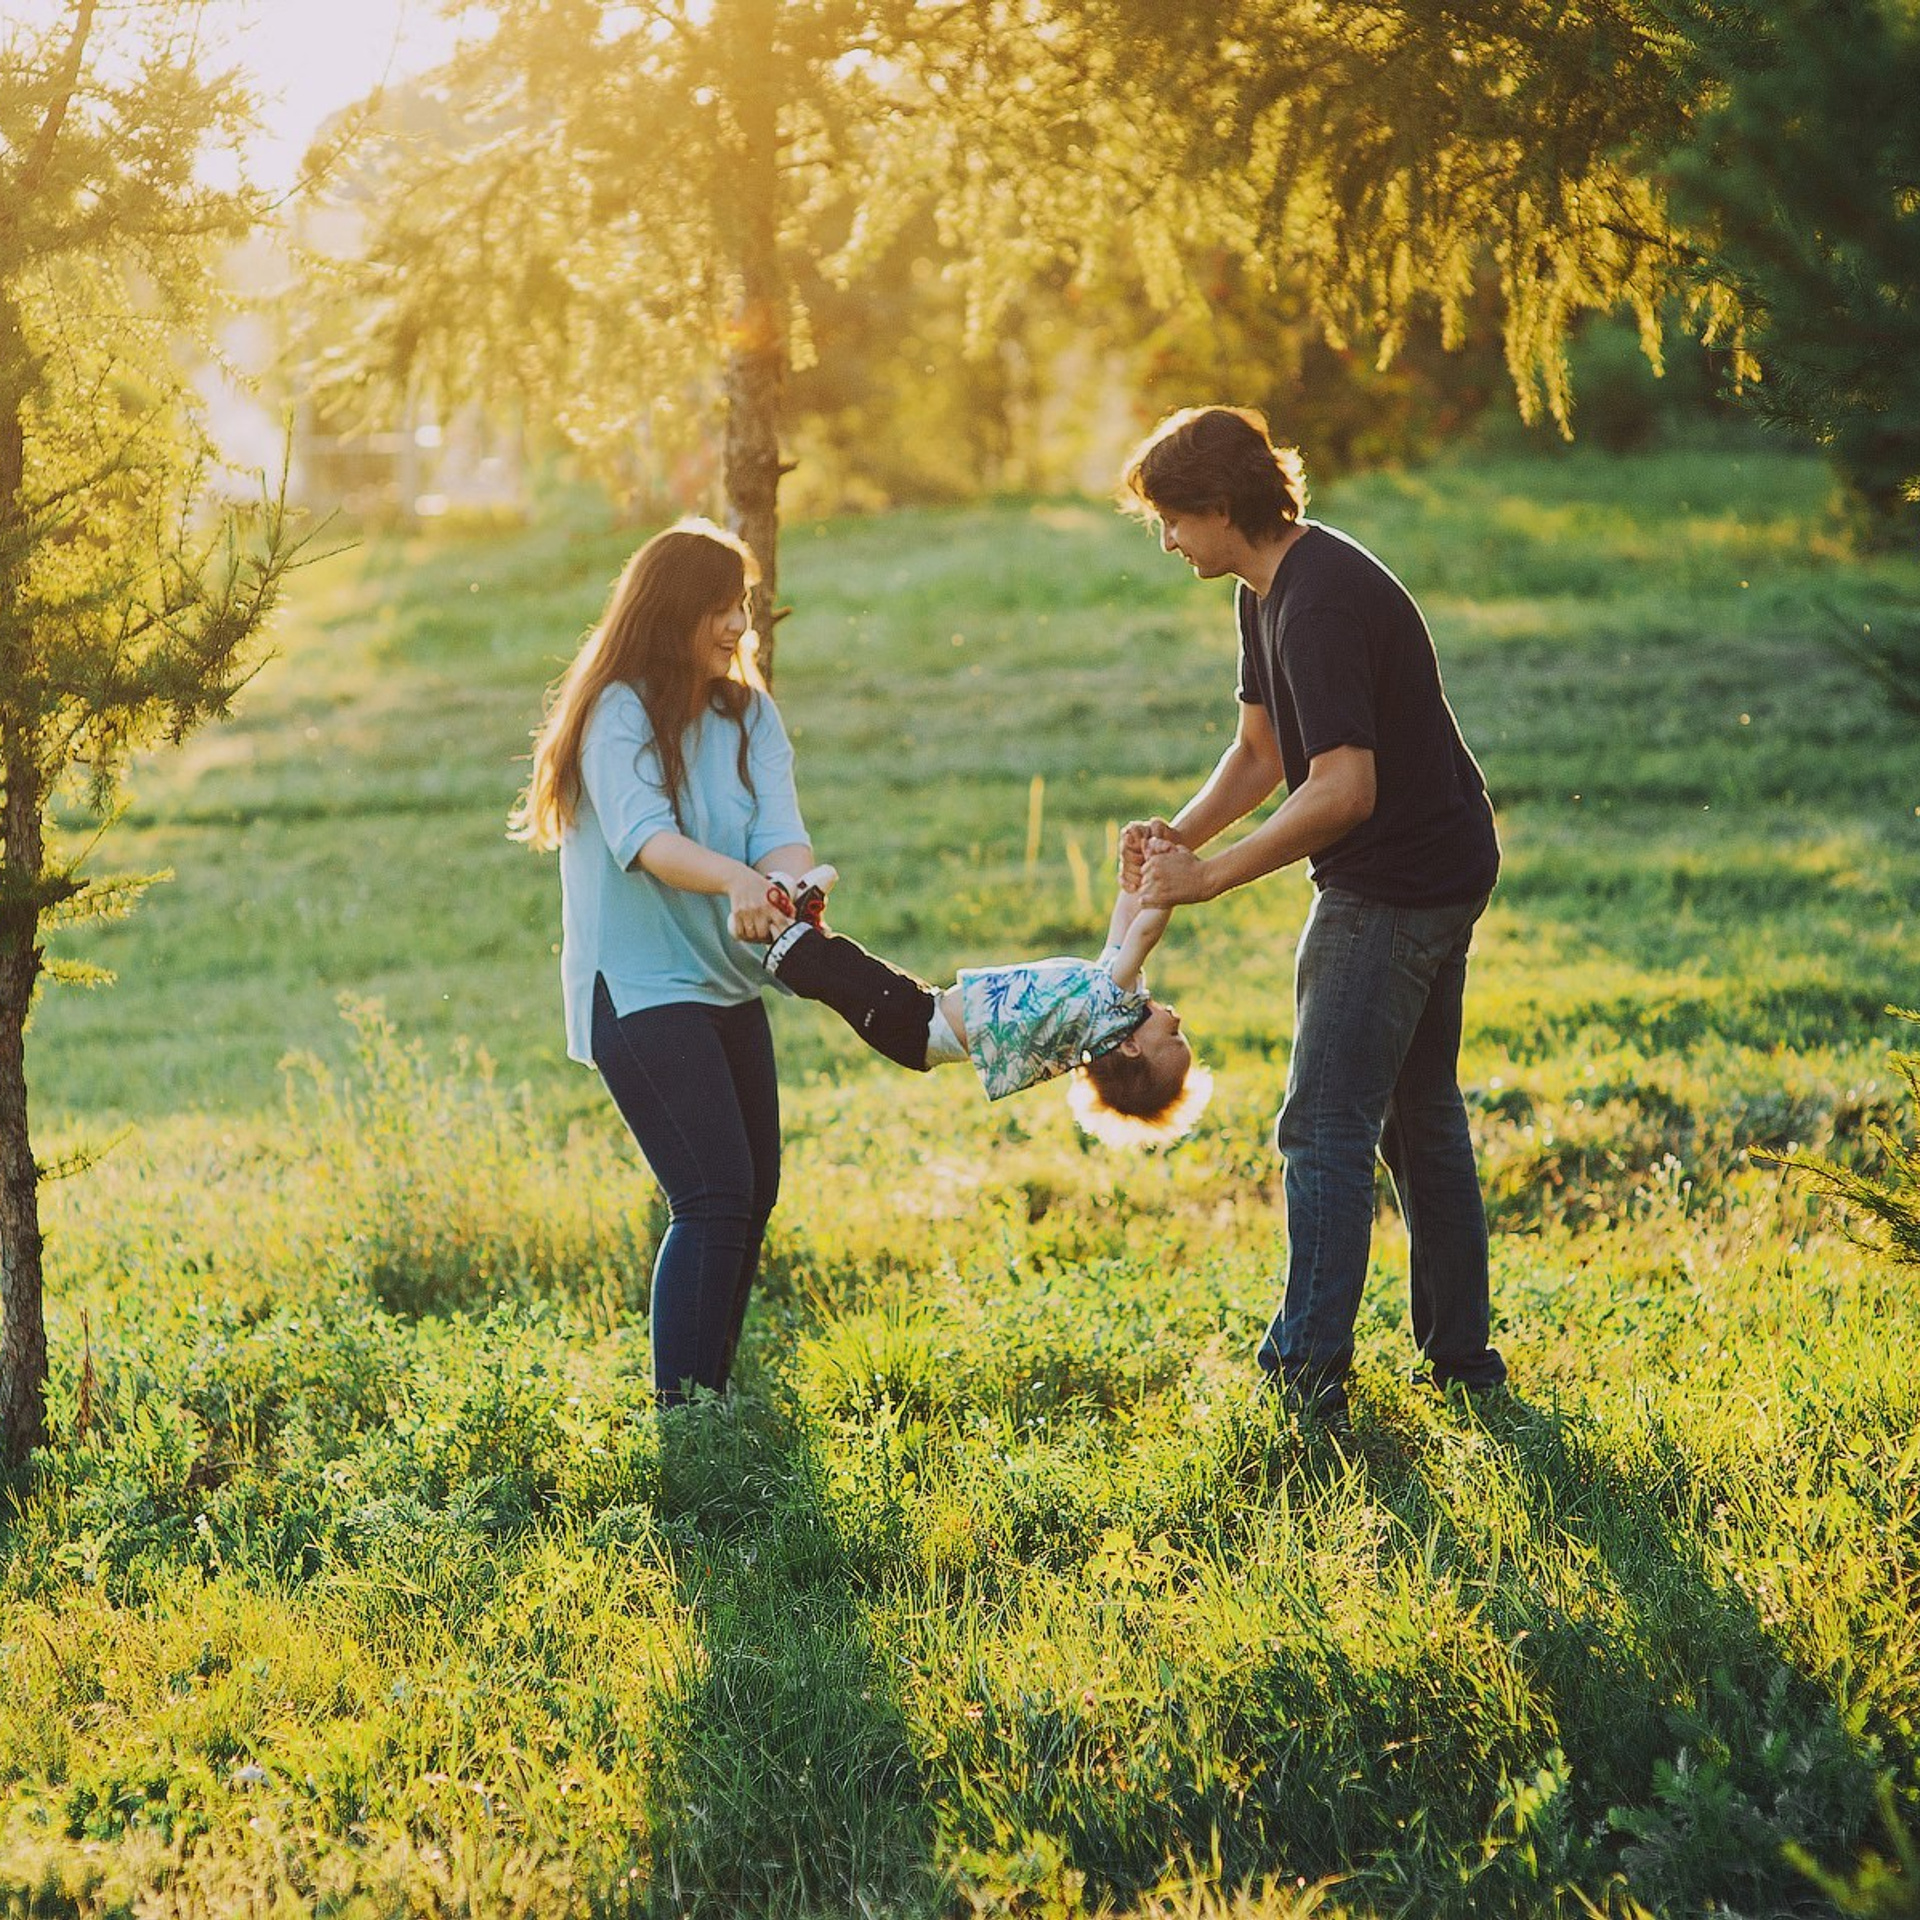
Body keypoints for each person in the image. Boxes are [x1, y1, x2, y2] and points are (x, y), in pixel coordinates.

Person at [1118, 405, 1506, 1430]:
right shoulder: (1270, 588)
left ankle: (1306, 1377)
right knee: (1418, 1115)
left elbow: (1342, 790)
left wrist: (1213, 879)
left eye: (1170, 520)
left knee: (1323, 1121)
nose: (1164, 542)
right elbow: (1262, 753)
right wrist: (1179, 836)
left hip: (1399, 879)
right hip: (1437, 859)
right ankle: (1464, 1365)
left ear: (1217, 505)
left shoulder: (1323, 600)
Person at [510, 519, 813, 1406]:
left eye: (745, 609)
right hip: (637, 991)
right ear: (672, 610)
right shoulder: (618, 713)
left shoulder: (750, 712)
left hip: (724, 985)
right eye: (719, 609)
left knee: (752, 1196)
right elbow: (645, 841)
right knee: (713, 1194)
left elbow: (781, 834)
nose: (738, 627)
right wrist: (736, 883)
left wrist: (790, 884)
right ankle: (688, 1425)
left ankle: (710, 1401)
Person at [755, 879, 1212, 1147]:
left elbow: (1145, 931)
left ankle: (776, 927)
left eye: (1172, 1039)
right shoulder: (1110, 1003)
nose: (1177, 1020)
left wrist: (1169, 887)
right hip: (923, 1013)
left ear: (1130, 1046)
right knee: (850, 972)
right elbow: (1125, 927)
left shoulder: (1112, 1010)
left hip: (917, 1027)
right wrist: (1133, 877)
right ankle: (801, 929)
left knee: (842, 974)